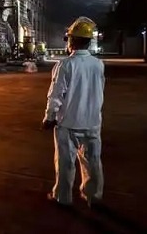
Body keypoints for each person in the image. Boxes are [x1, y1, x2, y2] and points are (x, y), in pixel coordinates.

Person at [41, 17, 105, 208]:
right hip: (92, 122)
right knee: (92, 161)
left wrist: (49, 117)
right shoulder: (98, 64)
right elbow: (98, 91)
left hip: (68, 123)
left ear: (73, 41)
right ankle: (93, 196)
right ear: (88, 42)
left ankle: (63, 197)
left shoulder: (65, 65)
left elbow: (55, 95)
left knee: (65, 162)